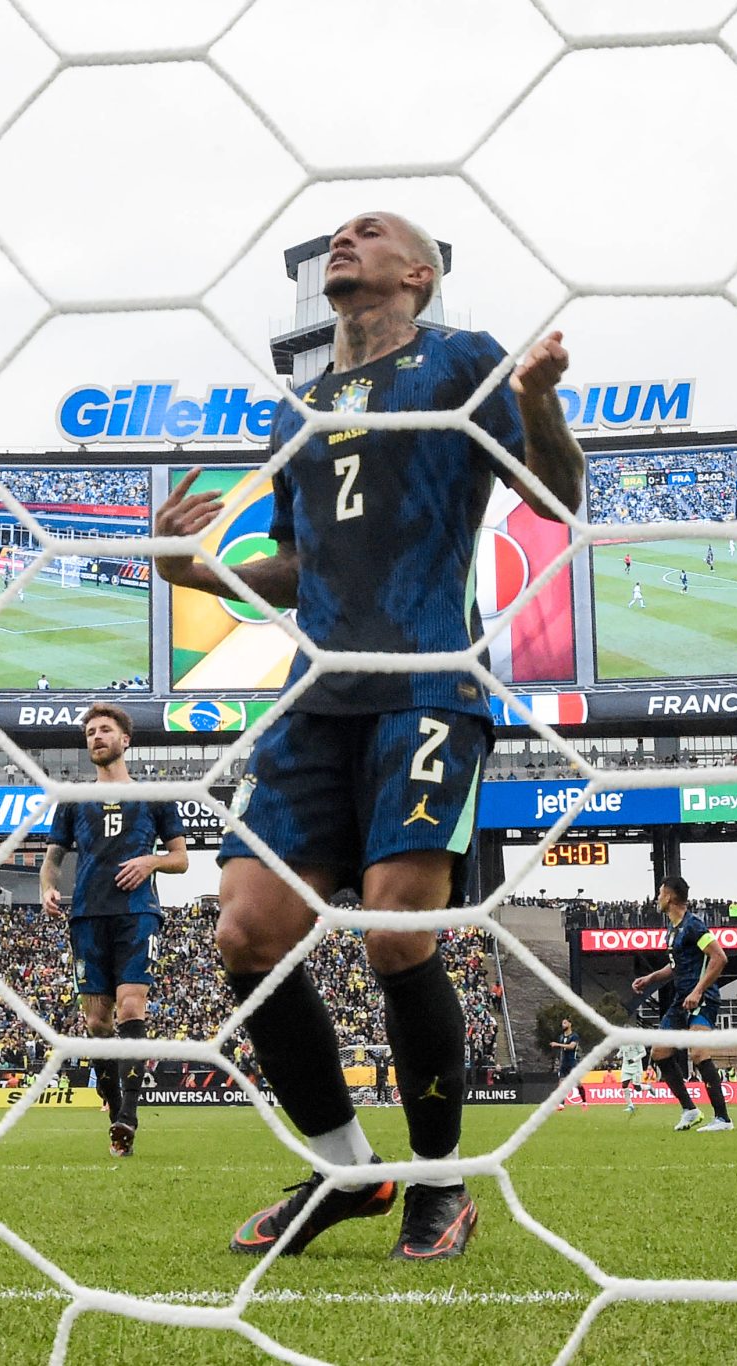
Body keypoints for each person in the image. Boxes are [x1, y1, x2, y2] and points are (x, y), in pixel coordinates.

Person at [153, 210, 583, 1262]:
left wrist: (535, 407)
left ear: (417, 275)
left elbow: (556, 496)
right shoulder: (296, 413)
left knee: (396, 929)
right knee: (244, 933)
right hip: (316, 695)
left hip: (427, 681)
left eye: (370, 232)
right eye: (336, 234)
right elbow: (299, 573)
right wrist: (197, 571)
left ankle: (441, 1184)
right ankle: (348, 1169)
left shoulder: (463, 363)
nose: (345, 240)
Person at [39, 703, 188, 1158]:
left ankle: (130, 1114)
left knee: (130, 1006)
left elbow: (181, 859)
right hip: (86, 916)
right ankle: (112, 1094)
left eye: (105, 730)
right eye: (90, 732)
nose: (96, 737)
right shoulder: (74, 800)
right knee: (96, 1022)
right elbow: (53, 859)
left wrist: (151, 860)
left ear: (126, 740)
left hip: (137, 913)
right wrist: (47, 887)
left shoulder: (154, 795)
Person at [630, 875, 733, 1133]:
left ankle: (723, 1118)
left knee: (698, 1054)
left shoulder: (693, 925)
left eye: (660, 893)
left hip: (702, 998)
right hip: (681, 1000)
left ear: (671, 897)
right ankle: (690, 1110)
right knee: (660, 1052)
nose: (657, 898)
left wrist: (699, 991)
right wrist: (652, 977)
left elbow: (719, 958)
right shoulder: (673, 931)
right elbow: (677, 967)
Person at [550, 1018, 581, 1108]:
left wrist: (558, 1044)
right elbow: (562, 1050)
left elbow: (571, 1047)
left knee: (577, 1083)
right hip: (564, 1062)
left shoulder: (574, 1036)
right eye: (562, 1023)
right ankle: (561, 1104)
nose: (563, 1025)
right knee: (561, 1082)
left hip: (572, 1062)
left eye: (565, 1023)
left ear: (570, 1024)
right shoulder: (561, 1037)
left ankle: (584, 1100)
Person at [615, 1040, 648, 1115]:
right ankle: (630, 1106)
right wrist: (617, 1056)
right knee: (624, 1085)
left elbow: (644, 1053)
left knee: (637, 1088)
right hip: (626, 1066)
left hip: (636, 1067)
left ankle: (649, 1087)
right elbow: (621, 1051)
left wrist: (634, 1059)